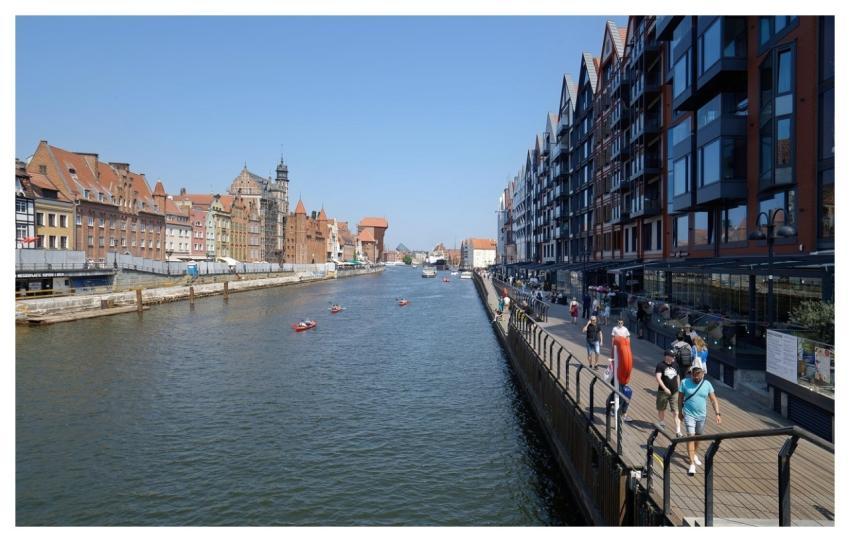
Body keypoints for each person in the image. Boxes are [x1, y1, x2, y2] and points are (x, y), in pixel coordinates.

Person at [678, 363, 721, 475]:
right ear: (691, 374)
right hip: (689, 414)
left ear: (703, 374)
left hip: (702, 415)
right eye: (694, 374)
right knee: (690, 437)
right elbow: (680, 399)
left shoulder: (707, 384)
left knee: (698, 437)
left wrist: (717, 413)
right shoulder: (684, 382)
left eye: (699, 374)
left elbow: (713, 399)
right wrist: (679, 412)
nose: (696, 377)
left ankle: (694, 453)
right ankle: (691, 463)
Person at [655, 349, 682, 437]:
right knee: (661, 408)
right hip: (663, 392)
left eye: (674, 356)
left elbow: (677, 376)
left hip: (674, 391)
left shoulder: (676, 365)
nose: (674, 357)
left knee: (676, 411)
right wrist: (665, 388)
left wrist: (678, 387)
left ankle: (678, 431)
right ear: (666, 356)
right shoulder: (660, 365)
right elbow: (658, 378)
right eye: (672, 356)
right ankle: (662, 422)